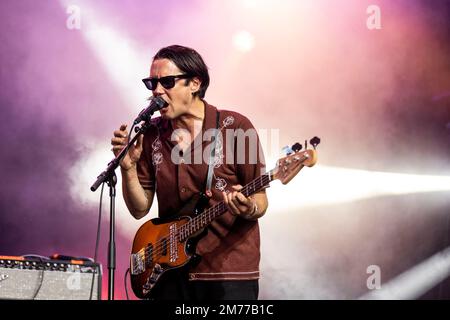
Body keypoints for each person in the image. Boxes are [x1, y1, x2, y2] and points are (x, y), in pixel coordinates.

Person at [111, 45, 268, 300]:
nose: (157, 91)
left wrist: (248, 207)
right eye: (152, 83)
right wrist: (128, 168)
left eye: (168, 82)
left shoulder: (236, 127)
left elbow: (260, 200)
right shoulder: (150, 133)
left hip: (227, 275)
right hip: (169, 273)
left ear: (195, 83)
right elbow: (139, 209)